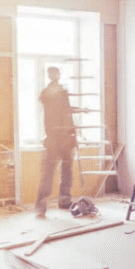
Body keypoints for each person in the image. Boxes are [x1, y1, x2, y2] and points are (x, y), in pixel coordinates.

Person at [35, 67, 77, 217]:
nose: (54, 76)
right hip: (53, 138)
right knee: (48, 171)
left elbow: (66, 111)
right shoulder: (48, 93)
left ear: (59, 75)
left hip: (66, 137)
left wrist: (72, 133)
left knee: (67, 169)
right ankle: (41, 205)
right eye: (51, 74)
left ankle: (64, 200)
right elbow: (46, 99)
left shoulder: (62, 92)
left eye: (56, 73)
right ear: (48, 75)